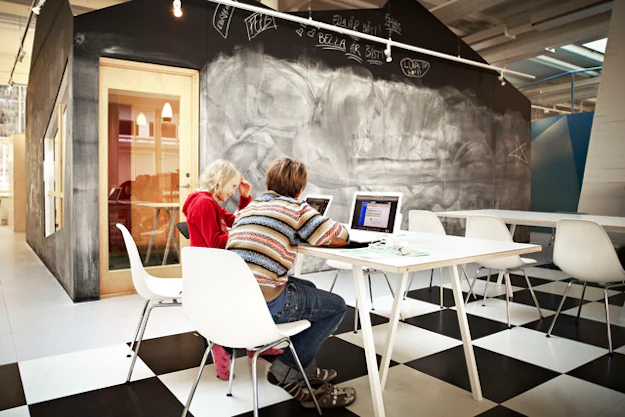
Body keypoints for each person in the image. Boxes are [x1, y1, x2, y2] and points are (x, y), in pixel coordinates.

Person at [226, 157, 357, 409]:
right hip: (265, 305)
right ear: (300, 190)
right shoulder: (297, 209)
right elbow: (340, 236)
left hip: (235, 301)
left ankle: (305, 369)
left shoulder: (248, 208)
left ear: (268, 184)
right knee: (337, 306)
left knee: (309, 289)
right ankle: (286, 371)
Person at [182, 159, 282, 381]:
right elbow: (216, 243)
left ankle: (255, 342)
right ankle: (241, 344)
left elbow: (238, 221)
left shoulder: (209, 202)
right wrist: (243, 235)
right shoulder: (204, 203)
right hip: (210, 275)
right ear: (220, 181)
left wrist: (245, 198)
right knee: (257, 288)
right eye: (233, 186)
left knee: (253, 287)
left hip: (211, 270)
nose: (233, 192)